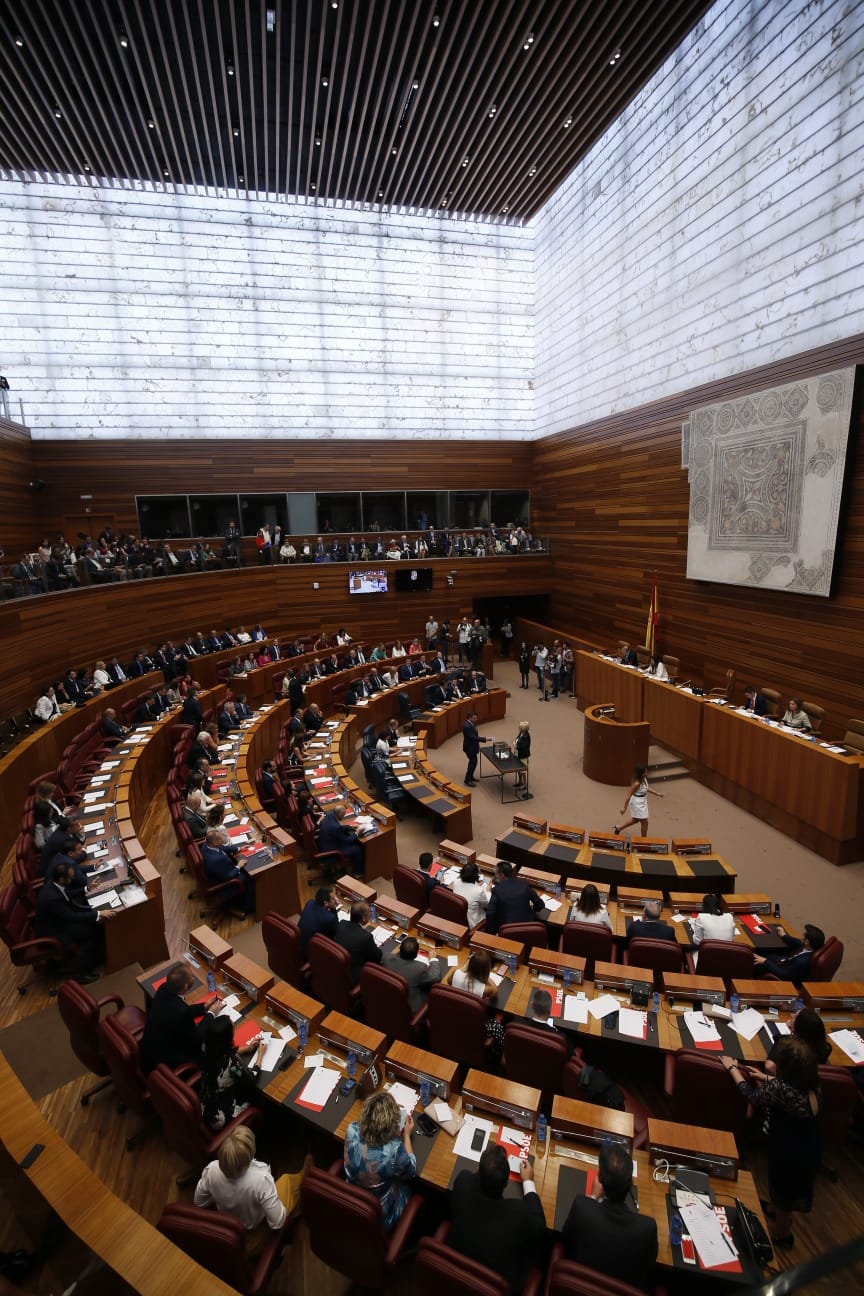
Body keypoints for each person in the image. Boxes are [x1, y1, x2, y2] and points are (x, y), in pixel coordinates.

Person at [722, 1036, 821, 1249]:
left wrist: (732, 1069)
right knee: (788, 1193)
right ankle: (779, 1213)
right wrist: (765, 1078)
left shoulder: (781, 1090)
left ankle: (781, 1236)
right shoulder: (813, 1085)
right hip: (809, 1147)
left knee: (785, 1194)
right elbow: (787, 1089)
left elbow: (751, 1096)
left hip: (788, 1153)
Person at [195, 1126, 310, 1255]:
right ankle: (304, 1178)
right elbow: (277, 1222)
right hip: (254, 1231)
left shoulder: (211, 1170)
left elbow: (199, 1202)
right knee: (287, 1181)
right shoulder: (261, 1179)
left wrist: (220, 1192)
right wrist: (273, 1198)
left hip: (229, 1225)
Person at [449, 1144, 546, 1294]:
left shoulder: (463, 1181)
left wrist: (484, 1170)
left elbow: (470, 1177)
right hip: (496, 1284)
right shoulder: (517, 1214)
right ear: (506, 1183)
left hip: (456, 1275)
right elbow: (539, 1225)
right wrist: (528, 1181)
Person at [561, 1140, 658, 1290]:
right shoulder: (647, 1228)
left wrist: (593, 1197)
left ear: (599, 1179)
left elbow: (566, 1238)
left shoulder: (582, 1207)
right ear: (631, 1183)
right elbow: (650, 1265)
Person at [344, 1092, 417, 1230]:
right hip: (379, 1217)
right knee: (410, 1185)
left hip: (351, 1201)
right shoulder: (394, 1150)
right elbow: (411, 1170)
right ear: (392, 1128)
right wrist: (406, 1135)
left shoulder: (351, 1130)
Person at [33, 860, 108, 982]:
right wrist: (99, 913)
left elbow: (68, 894)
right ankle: (81, 973)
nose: (73, 880)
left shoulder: (54, 884)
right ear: (62, 879)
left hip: (59, 920)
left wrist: (87, 888)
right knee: (90, 932)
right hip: (53, 931)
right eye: (71, 878)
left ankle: (93, 956)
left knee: (93, 923)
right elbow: (72, 917)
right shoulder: (52, 898)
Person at [139, 963, 217, 1073]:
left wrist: (203, 1007)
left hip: (151, 1050)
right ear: (185, 986)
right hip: (164, 1064)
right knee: (209, 1051)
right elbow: (197, 1039)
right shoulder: (181, 1013)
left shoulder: (163, 988)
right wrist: (211, 1014)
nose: (193, 979)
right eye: (192, 978)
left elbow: (180, 1009)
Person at [199, 1014, 260, 1131]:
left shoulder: (206, 1048)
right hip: (220, 1118)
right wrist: (260, 1056)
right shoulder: (232, 1063)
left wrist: (248, 1048)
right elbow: (252, 1079)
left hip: (206, 1104)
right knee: (256, 1095)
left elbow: (224, 1053)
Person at [382, 936, 443, 1013]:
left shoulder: (387, 957)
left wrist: (402, 950)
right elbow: (435, 978)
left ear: (399, 949)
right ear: (416, 955)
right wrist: (433, 959)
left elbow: (393, 956)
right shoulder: (420, 968)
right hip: (408, 1008)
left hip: (386, 999)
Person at [201, 828, 255, 914]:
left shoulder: (206, 846)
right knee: (250, 876)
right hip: (222, 885)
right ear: (215, 842)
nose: (222, 839)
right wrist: (238, 866)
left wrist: (238, 849)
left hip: (215, 874)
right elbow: (228, 877)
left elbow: (221, 848)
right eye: (220, 838)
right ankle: (248, 908)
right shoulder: (216, 859)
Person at [485, 861, 544, 935]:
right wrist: (531, 909)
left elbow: (490, 913)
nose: (495, 875)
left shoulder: (497, 890)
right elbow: (540, 905)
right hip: (527, 929)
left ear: (502, 875)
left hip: (507, 930)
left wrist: (493, 932)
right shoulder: (524, 884)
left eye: (496, 873)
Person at [753, 923, 825, 983]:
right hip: (784, 962)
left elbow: (785, 975)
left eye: (803, 935)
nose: (801, 936)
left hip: (782, 972)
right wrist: (784, 935)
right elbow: (797, 942)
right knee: (761, 952)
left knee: (753, 961)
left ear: (807, 942)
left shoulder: (802, 962)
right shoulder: (811, 948)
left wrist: (765, 962)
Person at [334, 901, 382, 983]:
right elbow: (378, 956)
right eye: (369, 912)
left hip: (337, 967)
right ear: (363, 918)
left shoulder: (342, 924)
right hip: (353, 975)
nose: (371, 914)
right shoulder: (366, 938)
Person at [615, 764, 663, 838]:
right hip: (636, 803)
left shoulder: (644, 779)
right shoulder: (637, 784)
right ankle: (644, 840)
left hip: (642, 801)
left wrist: (657, 793)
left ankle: (619, 828)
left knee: (635, 820)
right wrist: (624, 808)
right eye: (645, 772)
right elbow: (628, 796)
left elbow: (646, 788)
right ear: (640, 774)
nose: (646, 774)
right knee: (644, 822)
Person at [318, 805, 365, 875]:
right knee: (358, 848)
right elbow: (347, 840)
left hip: (324, 844)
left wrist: (350, 827)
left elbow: (338, 827)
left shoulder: (329, 816)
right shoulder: (335, 827)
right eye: (343, 814)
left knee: (353, 840)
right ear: (339, 814)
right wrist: (357, 833)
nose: (343, 816)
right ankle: (359, 872)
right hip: (332, 850)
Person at [297, 886, 340, 956]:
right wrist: (334, 908)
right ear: (326, 903)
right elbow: (336, 931)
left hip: (298, 943)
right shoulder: (329, 918)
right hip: (309, 953)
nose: (335, 900)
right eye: (333, 899)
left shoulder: (309, 903)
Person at [452, 860, 489, 928]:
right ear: (476, 877)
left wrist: (476, 885)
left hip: (457, 917)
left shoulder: (455, 882)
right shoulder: (479, 891)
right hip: (471, 922)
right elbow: (486, 905)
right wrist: (487, 890)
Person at [462, 711, 484, 786]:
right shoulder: (467, 726)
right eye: (475, 718)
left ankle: (470, 777)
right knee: (472, 763)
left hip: (471, 747)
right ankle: (467, 780)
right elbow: (473, 737)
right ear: (470, 718)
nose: (476, 719)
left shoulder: (470, 724)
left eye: (476, 718)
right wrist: (485, 739)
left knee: (474, 762)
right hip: (469, 748)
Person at [514, 719, 530, 796]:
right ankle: (520, 782)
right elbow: (518, 740)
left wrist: (516, 746)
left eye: (520, 727)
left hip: (523, 755)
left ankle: (524, 784)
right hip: (518, 754)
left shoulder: (526, 736)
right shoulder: (521, 733)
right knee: (518, 769)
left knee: (522, 770)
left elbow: (524, 746)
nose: (519, 728)